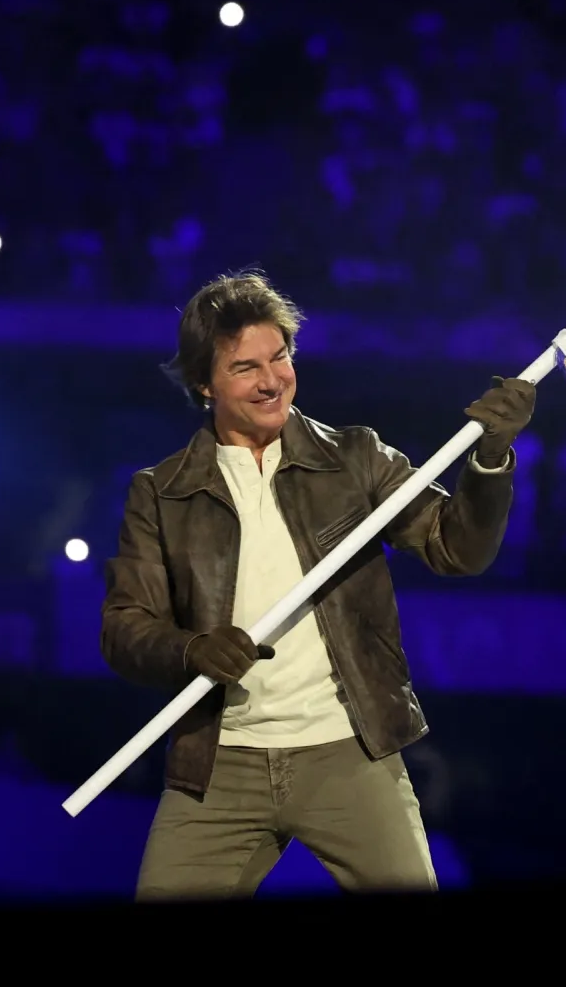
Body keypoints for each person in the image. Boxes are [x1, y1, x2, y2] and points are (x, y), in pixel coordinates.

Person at [101, 269, 534, 899]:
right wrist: (191, 651)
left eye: (280, 358)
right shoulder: (161, 491)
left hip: (349, 752)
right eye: (246, 367)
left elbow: (456, 548)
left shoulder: (355, 459)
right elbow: (124, 629)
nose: (272, 380)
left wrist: (491, 460)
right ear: (204, 383)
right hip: (220, 763)